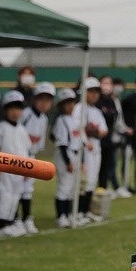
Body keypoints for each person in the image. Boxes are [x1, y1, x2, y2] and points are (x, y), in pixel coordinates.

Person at [19, 81, 56, 232]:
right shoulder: (26, 114)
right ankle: (14, 220)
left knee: (27, 189)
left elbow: (37, 144)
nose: (44, 103)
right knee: (15, 189)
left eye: (48, 100)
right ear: (34, 99)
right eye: (41, 99)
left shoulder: (44, 119)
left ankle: (26, 218)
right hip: (18, 156)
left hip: (31, 156)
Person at [0, 91, 31, 238]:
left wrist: (28, 170)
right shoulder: (1, 127)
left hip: (19, 169)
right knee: (6, 196)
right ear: (5, 110)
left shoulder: (22, 129)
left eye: (19, 108)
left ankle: (10, 222)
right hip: (4, 168)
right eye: (12, 108)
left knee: (16, 196)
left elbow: (26, 151)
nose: (16, 112)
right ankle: (1, 225)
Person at [71, 77, 108, 225]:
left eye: (96, 92)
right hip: (83, 149)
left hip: (96, 148)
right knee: (82, 182)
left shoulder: (97, 111)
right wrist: (87, 137)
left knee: (91, 181)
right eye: (91, 91)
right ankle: (78, 212)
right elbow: (78, 128)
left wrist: (93, 132)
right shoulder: (79, 108)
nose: (94, 95)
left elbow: (104, 131)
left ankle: (86, 211)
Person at [96, 74, 131, 199]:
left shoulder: (112, 101)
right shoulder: (97, 101)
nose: (107, 86)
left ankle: (103, 189)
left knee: (107, 166)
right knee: (98, 167)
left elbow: (116, 119)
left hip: (109, 140)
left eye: (109, 83)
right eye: (104, 83)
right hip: (96, 141)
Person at [50, 88, 80, 228]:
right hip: (65, 154)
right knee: (64, 186)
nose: (70, 106)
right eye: (66, 103)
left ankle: (67, 214)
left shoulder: (74, 119)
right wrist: (67, 162)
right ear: (61, 105)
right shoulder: (61, 120)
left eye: (72, 102)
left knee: (72, 188)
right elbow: (61, 143)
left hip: (74, 153)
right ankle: (61, 216)